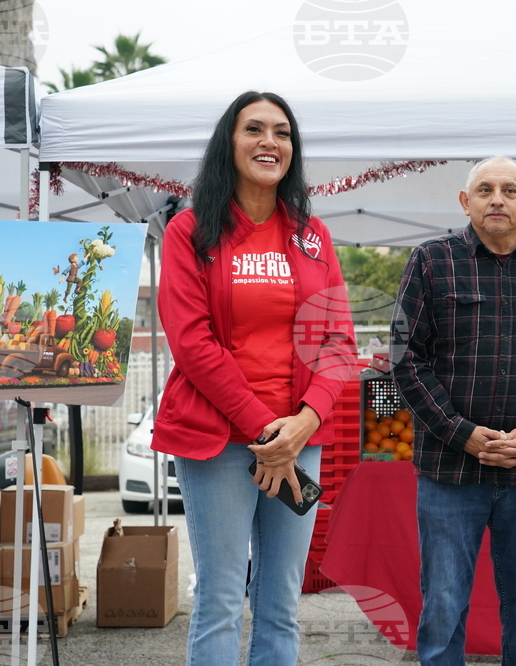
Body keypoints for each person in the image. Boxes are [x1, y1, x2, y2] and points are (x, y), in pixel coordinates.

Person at [151, 91, 357, 666]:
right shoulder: (191, 231)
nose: (270, 142)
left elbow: (339, 341)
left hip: (299, 440)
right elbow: (192, 343)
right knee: (220, 597)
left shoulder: (311, 235)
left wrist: (303, 424)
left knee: (281, 601)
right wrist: (270, 434)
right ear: (229, 143)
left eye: (283, 132)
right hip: (219, 440)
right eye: (255, 129)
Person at [390, 155, 516, 665]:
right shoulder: (432, 261)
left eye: (508, 190)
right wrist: (464, 434)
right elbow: (407, 360)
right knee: (443, 605)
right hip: (449, 472)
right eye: (484, 189)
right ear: (465, 201)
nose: (496, 199)